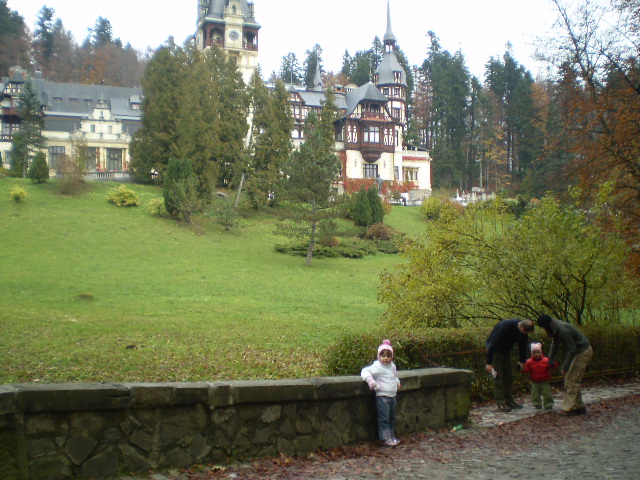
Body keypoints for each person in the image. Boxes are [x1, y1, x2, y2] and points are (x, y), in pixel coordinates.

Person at [537, 314, 593, 415]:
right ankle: (579, 406)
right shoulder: (554, 327)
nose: (543, 330)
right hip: (578, 351)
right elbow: (555, 343)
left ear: (547, 325)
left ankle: (568, 408)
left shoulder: (562, 329)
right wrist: (551, 358)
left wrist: (565, 366)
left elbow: (572, 349)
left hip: (583, 351)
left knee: (571, 379)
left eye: (543, 328)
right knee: (571, 379)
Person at [485, 318, 535, 412]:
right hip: (495, 352)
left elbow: (522, 346)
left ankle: (509, 400)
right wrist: (489, 363)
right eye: (526, 332)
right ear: (523, 329)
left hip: (506, 351)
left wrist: (522, 361)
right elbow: (491, 345)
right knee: (497, 376)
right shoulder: (503, 327)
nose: (526, 335)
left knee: (508, 376)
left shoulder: (523, 332)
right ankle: (501, 402)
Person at [361, 339, 402, 446]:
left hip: (392, 395)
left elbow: (393, 376)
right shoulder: (377, 367)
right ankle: (386, 438)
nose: (385, 358)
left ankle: (392, 436)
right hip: (382, 396)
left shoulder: (392, 366)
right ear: (379, 356)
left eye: (388, 356)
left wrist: (397, 382)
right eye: (383, 356)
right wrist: (370, 380)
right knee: (384, 419)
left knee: (391, 418)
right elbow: (365, 371)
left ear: (391, 357)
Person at [521, 342, 557, 410]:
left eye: (538, 352)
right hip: (534, 380)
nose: (536, 354)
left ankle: (548, 404)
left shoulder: (546, 360)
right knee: (535, 394)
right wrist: (522, 368)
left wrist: (553, 364)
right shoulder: (529, 362)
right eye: (534, 353)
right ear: (532, 354)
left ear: (541, 352)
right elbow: (527, 369)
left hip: (544, 380)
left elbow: (550, 367)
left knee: (547, 393)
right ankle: (537, 403)